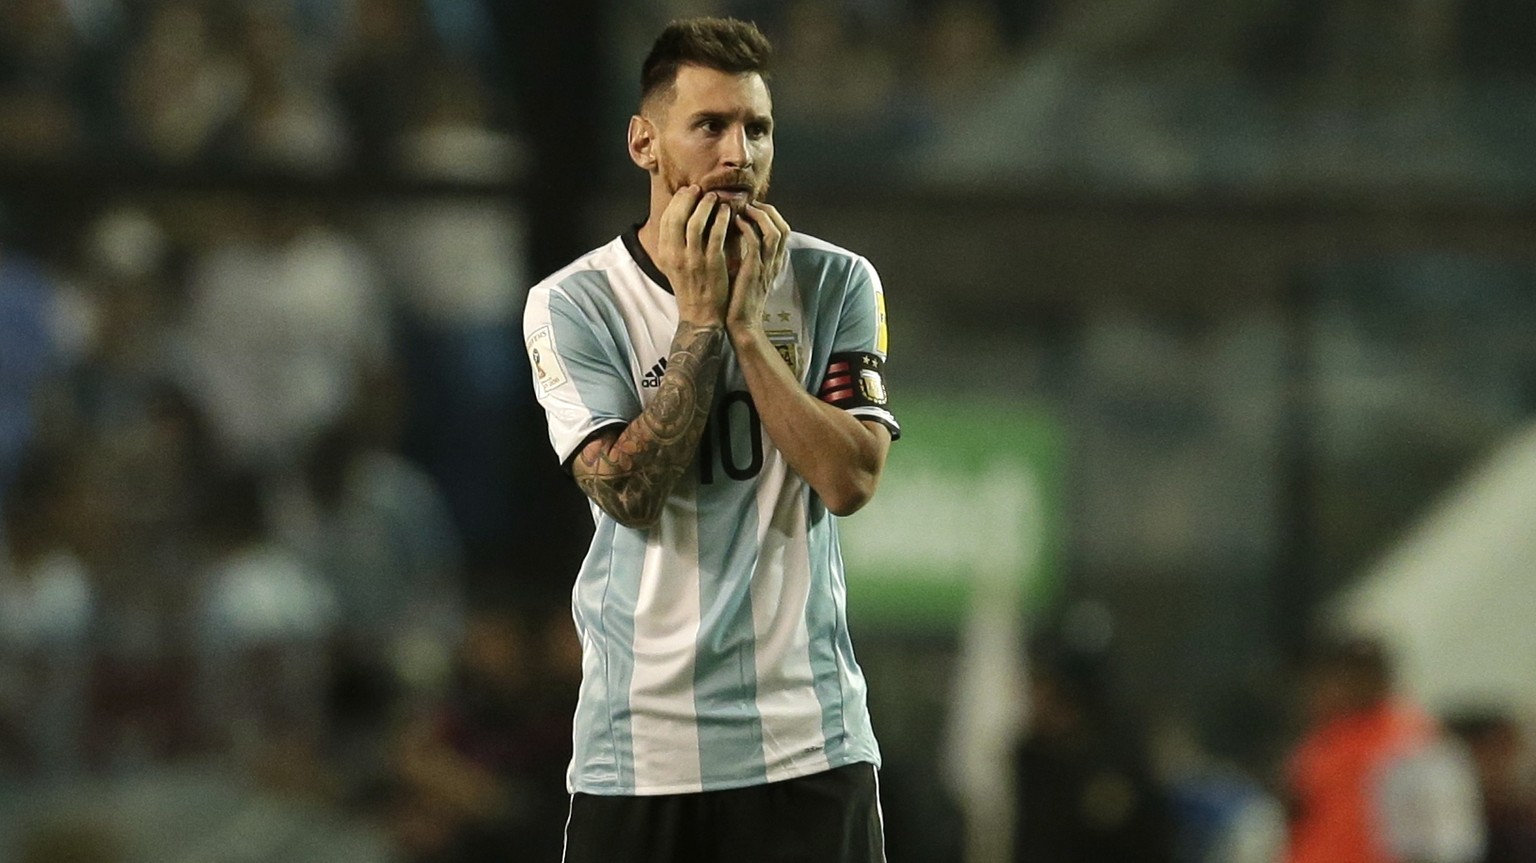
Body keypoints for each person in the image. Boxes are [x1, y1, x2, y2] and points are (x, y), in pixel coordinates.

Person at [521, 16, 898, 862]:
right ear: (644, 144)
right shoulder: (573, 303)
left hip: (807, 740)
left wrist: (750, 332)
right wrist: (697, 322)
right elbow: (630, 493)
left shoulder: (836, 281)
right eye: (711, 127)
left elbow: (850, 480)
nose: (739, 153)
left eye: (757, 129)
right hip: (641, 749)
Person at [1284, 635, 1484, 863]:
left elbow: (1441, 837)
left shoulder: (1414, 739)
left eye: (1361, 672)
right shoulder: (1323, 739)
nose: (1349, 682)